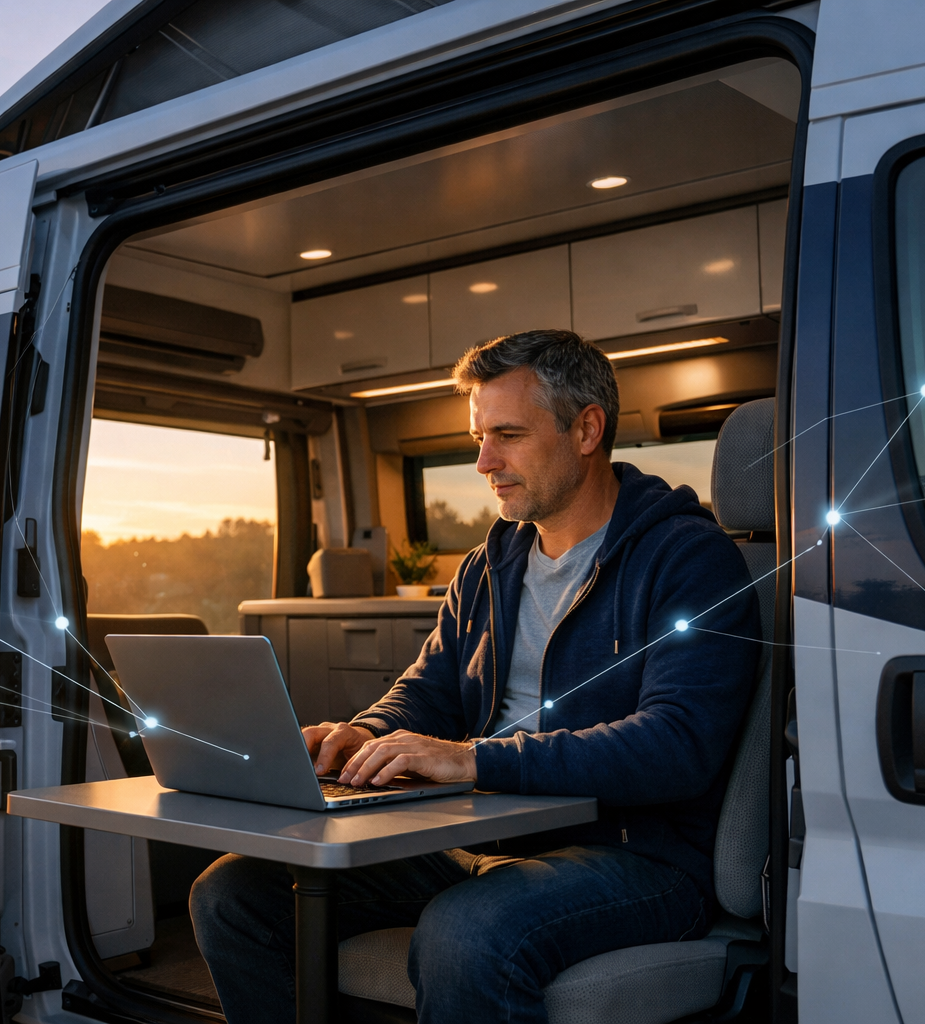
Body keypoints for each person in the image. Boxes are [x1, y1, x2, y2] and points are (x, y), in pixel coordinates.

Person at [190, 329, 762, 1023]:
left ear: (587, 429)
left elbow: (675, 747)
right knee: (234, 893)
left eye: (509, 435)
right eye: (479, 435)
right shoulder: (489, 564)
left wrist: (472, 759)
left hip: (637, 859)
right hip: (480, 841)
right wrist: (362, 734)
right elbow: (427, 689)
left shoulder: (689, 561)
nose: (484, 460)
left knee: (466, 933)